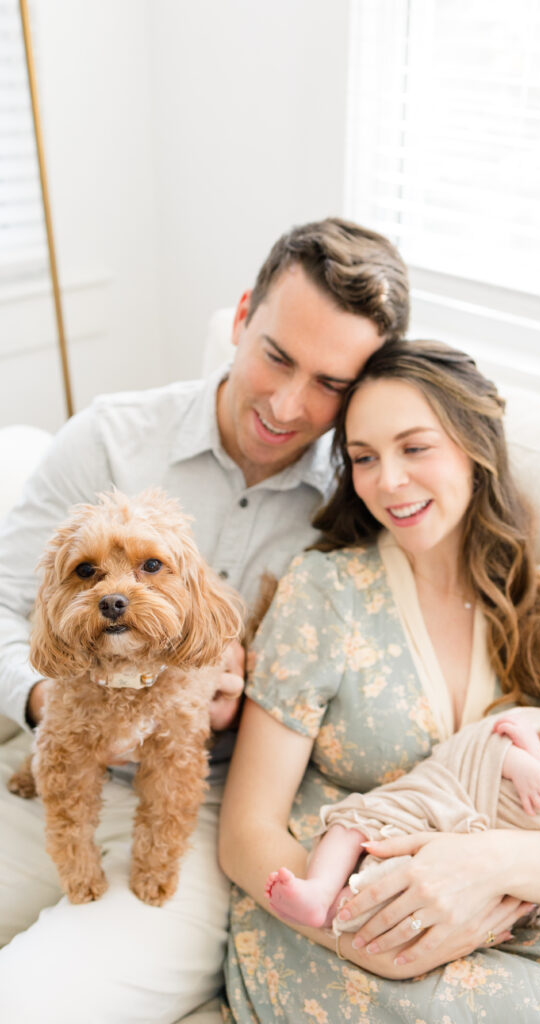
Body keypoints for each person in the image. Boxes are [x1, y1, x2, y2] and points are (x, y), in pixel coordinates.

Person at [0, 218, 410, 1024]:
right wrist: (49, 705)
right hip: (48, 766)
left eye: (330, 383)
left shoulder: (359, 509)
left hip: (199, 810)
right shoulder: (109, 442)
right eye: (276, 356)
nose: (289, 406)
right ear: (240, 316)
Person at [219, 340, 540, 1022]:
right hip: (340, 924)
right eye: (363, 457)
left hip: (513, 907)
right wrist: (362, 935)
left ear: (474, 447)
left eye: (414, 448)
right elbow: (246, 829)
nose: (387, 481)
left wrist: (485, 865)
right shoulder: (328, 593)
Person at [264, 700, 540, 931]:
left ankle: (342, 909)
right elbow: (483, 741)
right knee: (355, 820)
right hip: (433, 794)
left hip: (466, 853)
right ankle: (319, 891)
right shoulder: (537, 718)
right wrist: (517, 759)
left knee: (412, 889)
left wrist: (528, 760)